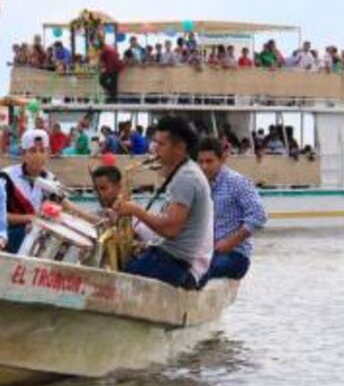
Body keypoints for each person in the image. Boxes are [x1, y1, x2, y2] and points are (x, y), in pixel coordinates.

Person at [113, 116, 213, 289]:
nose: (154, 149)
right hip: (167, 259)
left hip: (169, 263)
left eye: (161, 144)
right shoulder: (185, 173)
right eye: (154, 143)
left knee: (115, 285)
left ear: (180, 148)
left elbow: (171, 230)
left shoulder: (186, 178)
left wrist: (135, 210)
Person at [196, 137, 267, 283]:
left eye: (209, 161)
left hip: (235, 255)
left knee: (195, 274)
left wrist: (230, 242)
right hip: (210, 253)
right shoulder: (201, 185)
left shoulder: (236, 181)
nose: (204, 166)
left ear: (222, 159)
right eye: (201, 161)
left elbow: (259, 215)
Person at [0, 129, 59, 253]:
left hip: (37, 238)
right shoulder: (7, 177)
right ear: (23, 153)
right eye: (32, 151)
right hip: (8, 238)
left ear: (48, 153)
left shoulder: (51, 180)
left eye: (42, 151)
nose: (38, 156)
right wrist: (31, 218)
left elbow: (61, 206)